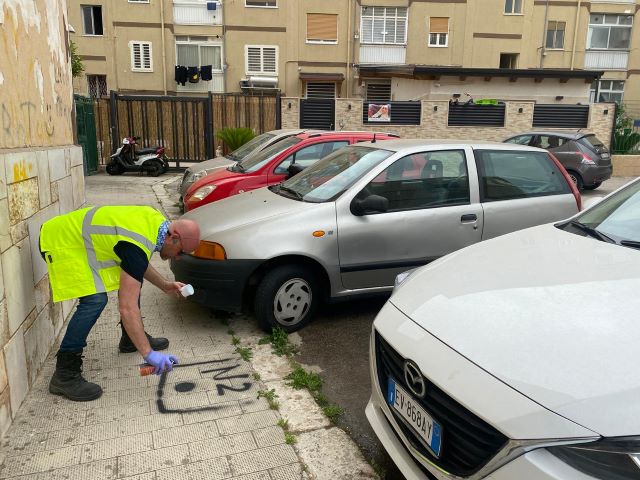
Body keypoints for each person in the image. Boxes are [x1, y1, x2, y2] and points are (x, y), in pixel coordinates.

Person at [39, 205, 200, 401]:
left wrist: (165, 285)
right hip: (62, 241)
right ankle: (64, 373)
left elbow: (138, 263)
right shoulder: (138, 243)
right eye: (181, 252)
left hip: (78, 239)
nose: (177, 257)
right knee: (94, 301)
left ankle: (130, 340)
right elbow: (127, 307)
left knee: (134, 281)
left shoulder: (155, 224)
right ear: (172, 237)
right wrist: (148, 354)